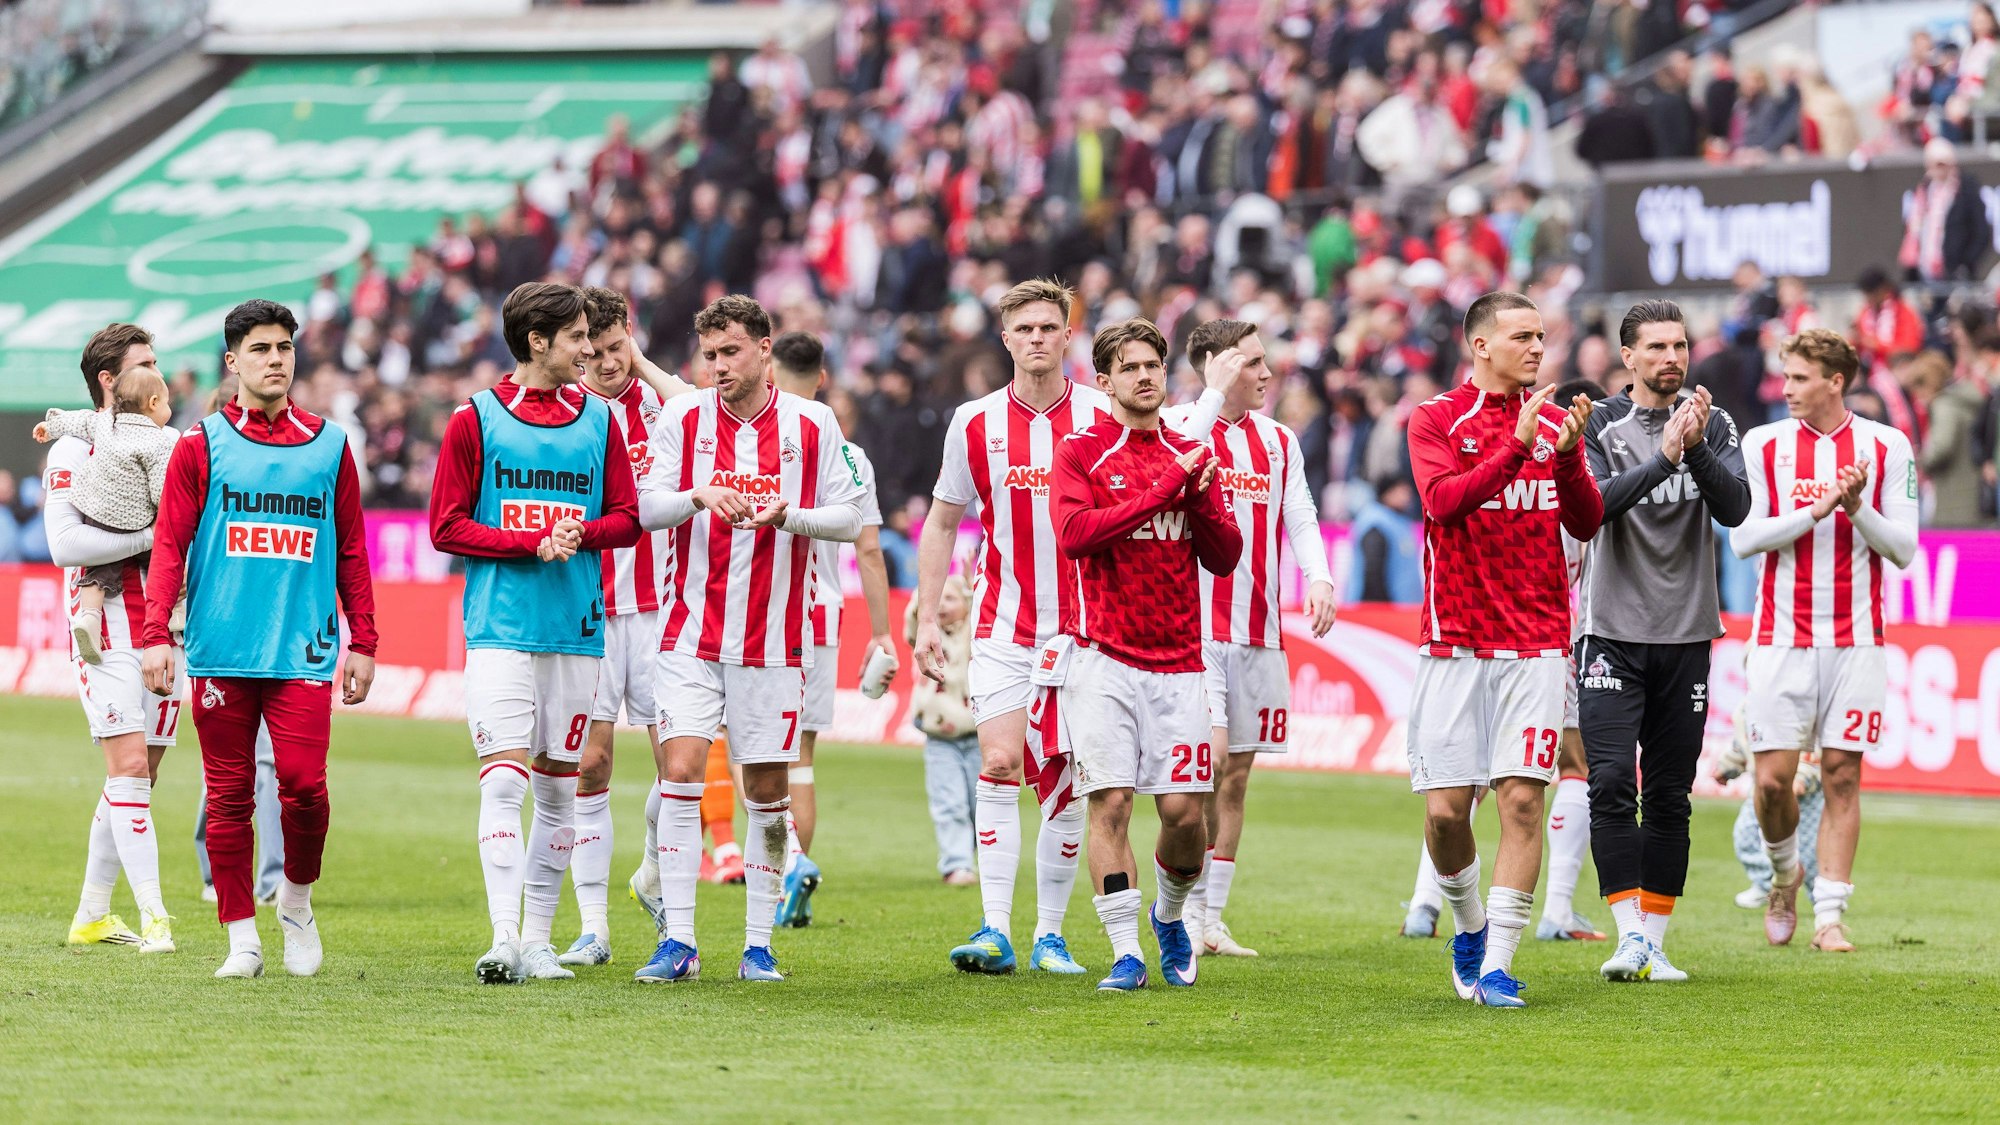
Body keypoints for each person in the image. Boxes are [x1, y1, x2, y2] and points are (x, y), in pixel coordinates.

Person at [910, 278, 1229, 977]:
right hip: (1003, 621)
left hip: (1087, 631)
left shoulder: (1099, 414)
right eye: (1023, 328)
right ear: (1005, 338)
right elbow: (943, 519)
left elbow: (1172, 456)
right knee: (997, 759)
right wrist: (929, 613)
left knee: (1063, 780)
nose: (1036, 339)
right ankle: (995, 926)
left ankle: (1050, 932)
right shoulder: (974, 421)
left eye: (1049, 327)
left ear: (1068, 336)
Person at [140, 299, 378, 979]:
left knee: (305, 788)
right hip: (221, 648)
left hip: (303, 648)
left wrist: (365, 639)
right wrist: (157, 634)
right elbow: (168, 546)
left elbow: (354, 551)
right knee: (230, 795)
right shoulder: (199, 444)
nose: (276, 359)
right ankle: (241, 936)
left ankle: (295, 904)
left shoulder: (330, 445)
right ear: (232, 362)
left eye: (284, 348)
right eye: (261, 349)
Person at [634, 294, 866, 984]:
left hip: (774, 640)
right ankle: (678, 940)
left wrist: (787, 515)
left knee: (766, 790)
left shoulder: (815, 424)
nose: (717, 366)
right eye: (709, 355)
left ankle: (757, 945)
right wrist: (698, 496)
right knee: (678, 773)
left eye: (730, 351)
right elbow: (646, 508)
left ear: (765, 348)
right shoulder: (681, 418)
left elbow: (852, 518)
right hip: (688, 634)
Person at [428, 282, 641, 984]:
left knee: (557, 788)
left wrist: (583, 534)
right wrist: (528, 541)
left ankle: (542, 941)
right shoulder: (476, 420)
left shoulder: (600, 421)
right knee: (504, 784)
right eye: (578, 336)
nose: (590, 348)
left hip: (576, 629)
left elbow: (626, 517)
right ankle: (502, 936)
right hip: (500, 628)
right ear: (537, 340)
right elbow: (446, 525)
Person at [1403, 291, 1601, 1008]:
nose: (1537, 348)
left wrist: (1570, 456)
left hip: (1538, 643)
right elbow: (1443, 503)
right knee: (1447, 813)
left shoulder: (1556, 424)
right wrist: (1517, 446)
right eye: (1522, 336)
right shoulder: (1434, 419)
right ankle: (1469, 924)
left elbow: (1587, 518)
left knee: (1522, 802)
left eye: (1542, 336)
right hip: (1455, 641)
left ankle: (1498, 964)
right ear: (1479, 344)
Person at [1049, 318, 1243, 991]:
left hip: (1180, 661)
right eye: (1129, 367)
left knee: (1187, 816)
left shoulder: (1190, 452)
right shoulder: (1081, 452)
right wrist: (1167, 489)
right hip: (1102, 658)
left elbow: (1225, 557)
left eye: (1153, 366)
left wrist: (1202, 499)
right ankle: (1125, 950)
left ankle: (1170, 910)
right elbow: (1076, 534)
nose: (1144, 376)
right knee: (1110, 805)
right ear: (1103, 381)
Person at [1577, 301, 1751, 983]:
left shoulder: (1718, 421)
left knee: (1672, 793)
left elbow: (1735, 508)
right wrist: (1666, 454)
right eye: (1655, 347)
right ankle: (1627, 936)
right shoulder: (1597, 422)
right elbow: (1592, 508)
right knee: (1613, 780)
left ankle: (1654, 938)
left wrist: (1698, 444)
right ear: (1628, 358)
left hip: (1687, 635)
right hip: (1611, 632)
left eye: (1679, 345)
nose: (1671, 358)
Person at [1731, 329, 1919, 953]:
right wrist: (1817, 511)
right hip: (1779, 637)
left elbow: (1904, 551)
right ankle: (1786, 875)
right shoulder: (1763, 445)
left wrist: (1857, 506)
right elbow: (1743, 539)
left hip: (1858, 641)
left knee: (1841, 776)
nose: (1786, 390)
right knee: (1772, 783)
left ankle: (1830, 916)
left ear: (1836, 381)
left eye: (1799, 378)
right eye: (1784, 377)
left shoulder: (1887, 445)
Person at [1163, 319, 1336, 958]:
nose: (1267, 374)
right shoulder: (1182, 426)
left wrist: (1318, 577)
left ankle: (1209, 919)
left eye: (1266, 363)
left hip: (1258, 627)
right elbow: (1177, 460)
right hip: (1193, 630)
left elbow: (1301, 516)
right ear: (1216, 367)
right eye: (1252, 363)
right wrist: (1212, 392)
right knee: (1203, 765)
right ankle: (1175, 908)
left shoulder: (1279, 442)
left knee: (1234, 776)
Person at [560, 286, 694, 968]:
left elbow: (705, 410)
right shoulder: (570, 415)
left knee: (679, 763)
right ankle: (593, 927)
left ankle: (652, 874)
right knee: (591, 762)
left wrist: (642, 365)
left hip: (664, 611)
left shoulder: (663, 408)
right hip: (591, 612)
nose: (607, 362)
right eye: (596, 351)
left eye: (618, 348)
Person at [46, 324, 187, 954]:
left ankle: (93, 915)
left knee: (141, 773)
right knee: (128, 768)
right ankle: (156, 917)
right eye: (146, 363)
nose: (159, 372)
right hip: (102, 627)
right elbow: (65, 545)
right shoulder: (75, 450)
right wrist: (156, 536)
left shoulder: (161, 443)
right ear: (110, 380)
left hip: (164, 625)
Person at [768, 329, 894, 929]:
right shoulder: (851, 454)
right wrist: (883, 632)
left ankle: (782, 868)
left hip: (763, 612)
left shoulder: (761, 438)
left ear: (769, 372)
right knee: (802, 757)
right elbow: (869, 551)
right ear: (823, 379)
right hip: (823, 614)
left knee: (756, 752)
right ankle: (799, 865)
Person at [33, 370, 178, 666]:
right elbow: (162, 488)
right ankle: (175, 611)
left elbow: (78, 421)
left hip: (96, 509)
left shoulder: (105, 421)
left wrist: (50, 426)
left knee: (100, 568)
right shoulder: (159, 441)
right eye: (166, 403)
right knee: (162, 561)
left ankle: (89, 616)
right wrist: (164, 521)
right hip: (136, 518)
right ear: (152, 403)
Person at [908, 574, 979, 885]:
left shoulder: (971, 635)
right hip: (939, 736)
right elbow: (913, 619)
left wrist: (973, 590)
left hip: (978, 735)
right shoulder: (925, 637)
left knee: (981, 804)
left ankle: (984, 857)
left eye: (951, 599)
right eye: (938, 600)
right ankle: (957, 863)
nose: (942, 606)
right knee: (949, 802)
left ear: (966, 605)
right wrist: (926, 593)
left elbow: (981, 615)